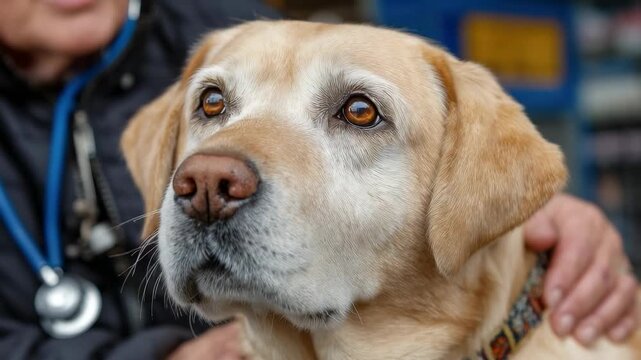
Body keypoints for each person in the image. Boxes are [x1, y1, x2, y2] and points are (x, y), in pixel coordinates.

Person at [0, 0, 637, 359]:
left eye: (358, 113)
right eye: (216, 107)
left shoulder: (215, 16)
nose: (210, 181)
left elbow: (494, 166)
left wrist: (539, 213)